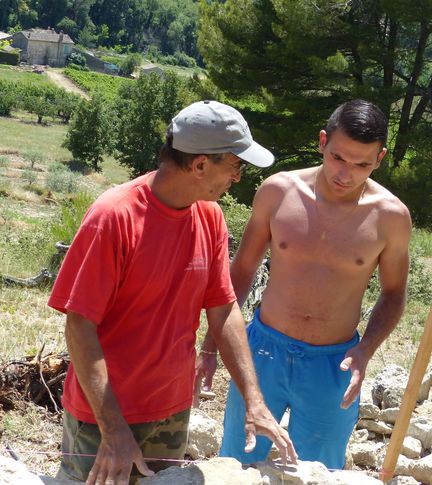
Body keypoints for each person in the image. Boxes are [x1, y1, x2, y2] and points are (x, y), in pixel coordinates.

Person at [48, 100, 297, 485]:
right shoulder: (113, 217)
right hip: (103, 418)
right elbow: (80, 326)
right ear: (199, 165)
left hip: (170, 411)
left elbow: (223, 307)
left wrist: (254, 400)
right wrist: (113, 429)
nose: (237, 177)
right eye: (235, 165)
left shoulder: (209, 217)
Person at [200, 99, 412, 469]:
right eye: (338, 158)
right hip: (262, 350)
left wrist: (365, 352)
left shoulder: (390, 217)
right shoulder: (278, 191)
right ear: (322, 142)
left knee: (319, 471)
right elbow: (240, 273)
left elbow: (394, 295)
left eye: (362, 164)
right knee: (239, 462)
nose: (345, 174)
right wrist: (210, 346)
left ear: (379, 159)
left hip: (335, 363)